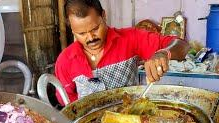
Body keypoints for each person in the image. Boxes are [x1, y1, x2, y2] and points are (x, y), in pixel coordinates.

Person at [55, 0, 190, 106]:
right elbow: (66, 101)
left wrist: (163, 53)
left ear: (103, 16)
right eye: (82, 33)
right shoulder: (65, 60)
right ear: (72, 30)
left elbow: (182, 45)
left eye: (95, 28)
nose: (91, 38)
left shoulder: (130, 38)